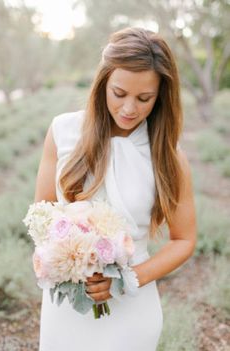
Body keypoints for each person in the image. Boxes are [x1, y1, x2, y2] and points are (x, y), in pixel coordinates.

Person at [35, 27, 196, 351]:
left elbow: (184, 240)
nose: (129, 109)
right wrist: (64, 259)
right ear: (103, 83)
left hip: (132, 310)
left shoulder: (167, 154)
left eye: (144, 98)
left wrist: (127, 279)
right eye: (119, 93)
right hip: (67, 306)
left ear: (161, 95)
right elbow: (42, 215)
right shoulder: (63, 131)